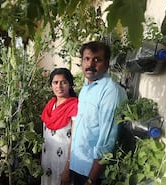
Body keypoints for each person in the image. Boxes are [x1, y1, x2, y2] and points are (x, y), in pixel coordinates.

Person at [69, 41, 127, 185]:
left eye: (97, 60)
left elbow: (108, 140)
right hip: (78, 165)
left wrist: (91, 179)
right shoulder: (86, 88)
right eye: (86, 59)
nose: (90, 64)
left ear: (107, 64)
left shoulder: (110, 91)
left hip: (94, 173)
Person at [41, 68, 78, 185]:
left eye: (64, 82)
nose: (59, 86)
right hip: (47, 160)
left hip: (63, 163)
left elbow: (75, 140)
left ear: (70, 85)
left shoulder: (75, 106)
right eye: (55, 82)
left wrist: (67, 168)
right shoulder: (50, 105)